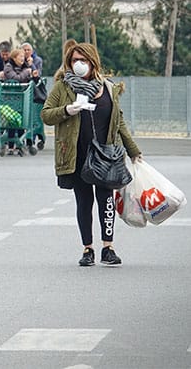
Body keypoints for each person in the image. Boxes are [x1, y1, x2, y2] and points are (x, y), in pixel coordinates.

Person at [41, 42, 142, 267]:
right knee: (84, 201)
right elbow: (46, 115)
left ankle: (108, 247)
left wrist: (133, 151)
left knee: (106, 200)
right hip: (77, 154)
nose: (78, 64)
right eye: (74, 60)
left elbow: (119, 121)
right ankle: (88, 248)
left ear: (92, 61)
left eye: (83, 60)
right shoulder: (63, 87)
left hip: (106, 155)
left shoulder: (108, 88)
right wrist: (67, 110)